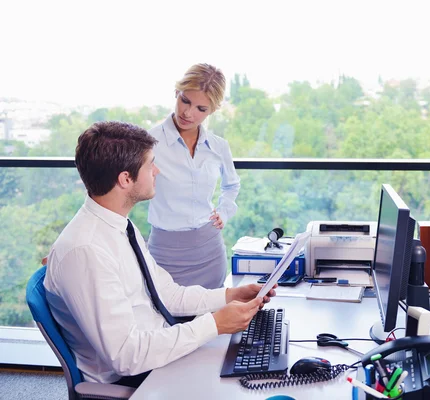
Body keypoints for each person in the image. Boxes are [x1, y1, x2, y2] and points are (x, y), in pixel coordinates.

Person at [44, 121, 274, 387]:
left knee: (253, 366)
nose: (157, 171)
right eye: (150, 164)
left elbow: (167, 294)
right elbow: (126, 356)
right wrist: (214, 325)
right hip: (134, 378)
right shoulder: (85, 251)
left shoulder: (120, 225)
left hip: (159, 349)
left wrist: (229, 296)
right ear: (125, 179)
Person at [147, 63, 240, 289]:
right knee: (163, 320)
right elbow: (120, 193)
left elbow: (232, 185)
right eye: (185, 101)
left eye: (201, 108)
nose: (188, 113)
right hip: (164, 255)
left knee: (214, 320)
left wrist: (225, 212)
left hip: (209, 251)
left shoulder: (219, 147)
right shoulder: (149, 143)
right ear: (176, 93)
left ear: (212, 110)